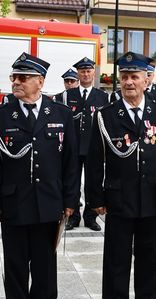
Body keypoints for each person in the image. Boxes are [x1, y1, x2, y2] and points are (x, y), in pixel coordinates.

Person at [0, 52, 79, 299]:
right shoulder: (0, 116)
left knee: (45, 260)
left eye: (23, 77)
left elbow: (70, 162)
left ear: (40, 81)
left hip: (49, 200)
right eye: (14, 77)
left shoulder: (60, 114)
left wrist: (71, 199)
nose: (16, 82)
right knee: (15, 261)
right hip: (14, 201)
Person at [86, 51, 156, 299]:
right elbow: (93, 161)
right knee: (117, 254)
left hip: (151, 197)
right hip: (119, 196)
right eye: (124, 77)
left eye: (134, 77)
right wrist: (95, 198)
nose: (128, 82)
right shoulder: (106, 115)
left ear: (146, 80)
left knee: (149, 253)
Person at [63, 57, 108, 231]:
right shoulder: (68, 95)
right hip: (73, 146)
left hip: (93, 147)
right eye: (82, 71)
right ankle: (72, 217)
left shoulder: (103, 96)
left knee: (93, 182)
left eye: (88, 71)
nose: (86, 74)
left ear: (93, 72)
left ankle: (91, 217)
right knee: (72, 182)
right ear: (78, 74)